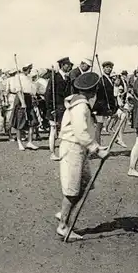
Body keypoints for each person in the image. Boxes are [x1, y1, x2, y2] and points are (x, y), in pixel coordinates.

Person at [54, 72, 110, 240]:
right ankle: (63, 225)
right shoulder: (80, 106)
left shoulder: (80, 102)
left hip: (79, 148)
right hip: (73, 147)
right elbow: (80, 131)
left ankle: (64, 212)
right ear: (93, 91)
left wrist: (96, 146)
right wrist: (96, 149)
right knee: (72, 189)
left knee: (84, 184)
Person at [45, 57, 73, 160]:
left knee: (64, 130)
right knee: (53, 130)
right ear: (62, 65)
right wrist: (50, 109)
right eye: (67, 65)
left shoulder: (68, 78)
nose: (69, 67)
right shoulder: (54, 77)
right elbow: (48, 94)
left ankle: (64, 152)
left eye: (70, 65)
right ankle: (52, 153)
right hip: (55, 108)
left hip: (65, 108)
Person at [10, 64, 39, 151]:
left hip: (28, 98)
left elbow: (31, 89)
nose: (30, 70)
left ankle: (29, 142)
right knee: (20, 121)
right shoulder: (18, 77)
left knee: (32, 121)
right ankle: (19, 142)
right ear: (25, 68)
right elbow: (18, 91)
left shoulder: (28, 77)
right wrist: (22, 103)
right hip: (20, 99)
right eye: (29, 69)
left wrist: (33, 97)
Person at [92, 61, 117, 146]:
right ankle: (97, 146)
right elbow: (99, 94)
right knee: (98, 127)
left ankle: (97, 145)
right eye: (106, 67)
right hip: (100, 107)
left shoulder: (109, 79)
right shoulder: (101, 80)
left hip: (105, 106)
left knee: (100, 125)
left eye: (110, 67)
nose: (108, 69)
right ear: (103, 68)